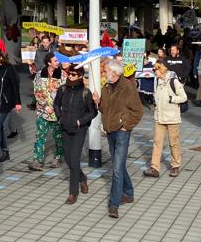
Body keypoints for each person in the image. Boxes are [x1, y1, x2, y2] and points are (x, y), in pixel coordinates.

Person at [99, 59, 141, 218]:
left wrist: (126, 125)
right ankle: (129, 193)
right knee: (119, 165)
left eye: (106, 71)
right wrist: (98, 103)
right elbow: (105, 109)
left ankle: (114, 204)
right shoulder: (106, 86)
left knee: (116, 168)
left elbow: (138, 111)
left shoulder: (128, 87)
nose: (104, 73)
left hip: (122, 131)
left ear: (115, 73)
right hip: (110, 130)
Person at [53, 66, 95, 205]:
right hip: (65, 127)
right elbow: (56, 104)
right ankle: (82, 178)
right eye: (69, 74)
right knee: (69, 160)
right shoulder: (63, 89)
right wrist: (59, 117)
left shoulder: (85, 93)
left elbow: (92, 112)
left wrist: (80, 121)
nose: (70, 76)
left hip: (79, 130)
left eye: (73, 74)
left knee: (75, 160)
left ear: (80, 76)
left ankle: (73, 193)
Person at [143, 62, 187, 178]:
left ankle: (175, 166)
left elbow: (184, 97)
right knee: (157, 142)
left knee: (174, 143)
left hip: (172, 118)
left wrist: (172, 99)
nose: (154, 72)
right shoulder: (157, 81)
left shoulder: (173, 81)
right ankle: (155, 168)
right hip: (160, 117)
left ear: (161, 70)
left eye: (155, 70)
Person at [29, 53, 63, 171]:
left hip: (57, 112)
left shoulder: (62, 75)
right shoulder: (40, 74)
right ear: (49, 63)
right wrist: (45, 105)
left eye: (57, 61)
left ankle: (58, 158)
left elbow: (64, 93)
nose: (57, 62)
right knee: (40, 136)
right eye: (55, 61)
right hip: (43, 111)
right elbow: (37, 91)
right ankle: (38, 160)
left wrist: (56, 107)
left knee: (58, 136)